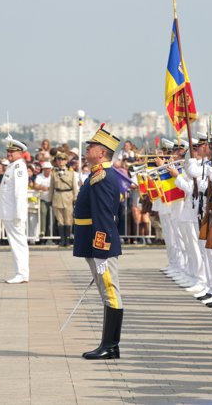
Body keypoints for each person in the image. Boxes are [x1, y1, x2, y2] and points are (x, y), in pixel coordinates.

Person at [73, 125, 123, 360]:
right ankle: (108, 344)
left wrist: (101, 249)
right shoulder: (97, 174)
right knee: (106, 293)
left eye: (91, 147)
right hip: (94, 242)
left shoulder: (102, 177)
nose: (87, 150)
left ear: (102, 152)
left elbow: (104, 216)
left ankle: (110, 346)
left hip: (100, 245)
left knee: (110, 293)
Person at [0, 135, 30, 284]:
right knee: (16, 243)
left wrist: (19, 214)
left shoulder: (19, 167)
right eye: (8, 152)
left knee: (18, 243)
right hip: (9, 212)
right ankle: (20, 272)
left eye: (12, 152)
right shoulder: (13, 166)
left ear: (20, 152)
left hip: (14, 213)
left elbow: (19, 192)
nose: (9, 154)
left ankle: (22, 273)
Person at [49, 152, 79, 246]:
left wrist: (75, 197)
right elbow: (51, 187)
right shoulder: (54, 173)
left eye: (63, 159)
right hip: (57, 196)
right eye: (59, 159)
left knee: (68, 219)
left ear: (66, 161)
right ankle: (62, 240)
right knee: (60, 220)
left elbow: (75, 186)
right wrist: (50, 199)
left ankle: (67, 240)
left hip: (68, 196)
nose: (61, 161)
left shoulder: (71, 173)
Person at [35, 161, 53, 242]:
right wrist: (42, 187)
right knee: (43, 213)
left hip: (52, 200)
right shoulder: (39, 176)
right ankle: (42, 232)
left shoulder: (53, 176)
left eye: (48, 169)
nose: (47, 170)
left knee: (51, 218)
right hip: (43, 199)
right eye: (46, 169)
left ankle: (50, 235)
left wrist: (48, 188)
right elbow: (36, 185)